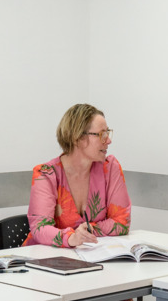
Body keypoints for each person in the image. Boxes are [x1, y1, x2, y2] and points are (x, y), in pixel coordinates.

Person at [26, 104, 131, 248]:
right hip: (44, 257)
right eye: (102, 134)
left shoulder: (110, 168)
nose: (108, 140)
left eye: (108, 133)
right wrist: (71, 238)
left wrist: (88, 231)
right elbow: (40, 228)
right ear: (77, 138)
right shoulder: (46, 174)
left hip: (91, 255)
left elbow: (122, 222)